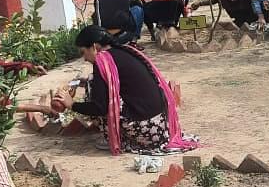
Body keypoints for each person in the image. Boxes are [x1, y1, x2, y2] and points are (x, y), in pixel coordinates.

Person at [50, 25, 197, 155]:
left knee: (92, 88)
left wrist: (71, 104)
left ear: (94, 47)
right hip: (162, 126)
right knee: (91, 82)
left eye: (83, 52)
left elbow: (100, 107)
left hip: (146, 131)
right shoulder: (124, 51)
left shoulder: (102, 62)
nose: (84, 58)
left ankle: (113, 137)